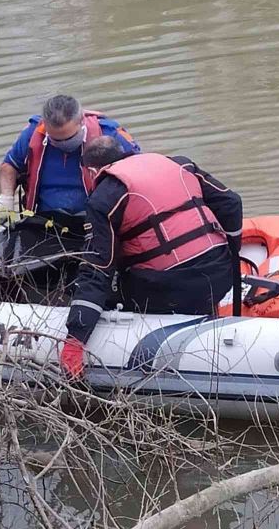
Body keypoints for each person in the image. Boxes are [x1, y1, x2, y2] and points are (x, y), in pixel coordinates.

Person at [59, 136, 243, 378]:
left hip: (170, 291)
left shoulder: (104, 198)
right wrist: (232, 254)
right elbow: (231, 202)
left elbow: (97, 269)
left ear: (91, 171)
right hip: (220, 276)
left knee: (103, 287)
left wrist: (75, 340)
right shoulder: (179, 163)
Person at [0, 95, 140, 217]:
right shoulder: (33, 134)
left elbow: (140, 170)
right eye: (56, 140)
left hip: (97, 220)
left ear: (81, 121)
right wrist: (6, 197)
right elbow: (10, 165)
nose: (63, 144)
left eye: (69, 138)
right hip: (46, 222)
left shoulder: (109, 134)